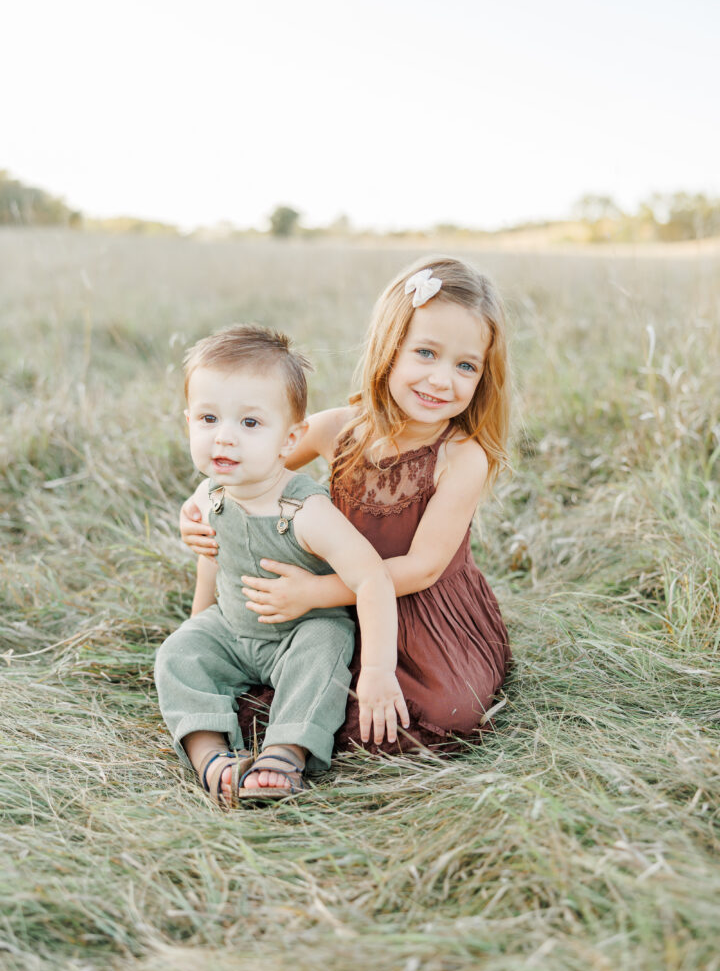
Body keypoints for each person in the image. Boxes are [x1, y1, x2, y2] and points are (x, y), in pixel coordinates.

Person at [180, 258, 511, 755]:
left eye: (466, 365)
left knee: (446, 711)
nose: (442, 380)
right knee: (304, 663)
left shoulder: (462, 457)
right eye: (425, 353)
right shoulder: (339, 428)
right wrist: (196, 509)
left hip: (419, 611)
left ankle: (306, 716)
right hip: (331, 609)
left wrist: (315, 591)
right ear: (388, 348)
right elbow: (245, 468)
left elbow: (422, 569)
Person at [155, 324, 404, 805]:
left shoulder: (304, 510)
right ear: (188, 421)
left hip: (298, 632)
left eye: (250, 424)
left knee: (328, 644)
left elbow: (372, 576)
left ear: (291, 439)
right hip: (232, 627)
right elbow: (212, 557)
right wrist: (197, 625)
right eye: (208, 419)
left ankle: (283, 753)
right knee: (176, 654)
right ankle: (212, 757)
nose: (223, 438)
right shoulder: (211, 494)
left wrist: (377, 669)